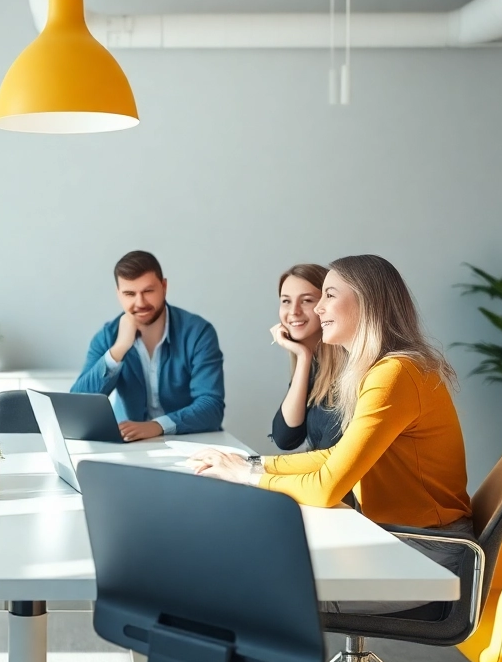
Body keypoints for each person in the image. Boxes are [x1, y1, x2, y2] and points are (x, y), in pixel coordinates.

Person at [190, 255, 473, 616]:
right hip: (394, 537)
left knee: (250, 588)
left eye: (329, 295)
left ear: (367, 302)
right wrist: (252, 463)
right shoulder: (384, 370)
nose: (318, 308)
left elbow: (327, 487)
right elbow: (334, 457)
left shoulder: (395, 375)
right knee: (246, 553)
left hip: (425, 553)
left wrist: (246, 475)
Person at [71, 250, 225, 440]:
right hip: (129, 445)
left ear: (164, 286)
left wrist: (157, 426)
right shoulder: (107, 336)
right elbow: (77, 407)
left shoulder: (198, 332)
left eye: (148, 291)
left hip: (189, 440)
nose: (140, 302)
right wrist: (118, 349)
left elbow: (211, 407)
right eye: (129, 294)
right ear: (118, 294)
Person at [269, 264, 346, 452]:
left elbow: (332, 455)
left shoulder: (348, 370)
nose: (294, 311)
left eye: (306, 300)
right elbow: (285, 437)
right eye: (286, 301)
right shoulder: (314, 364)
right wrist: (303, 357)